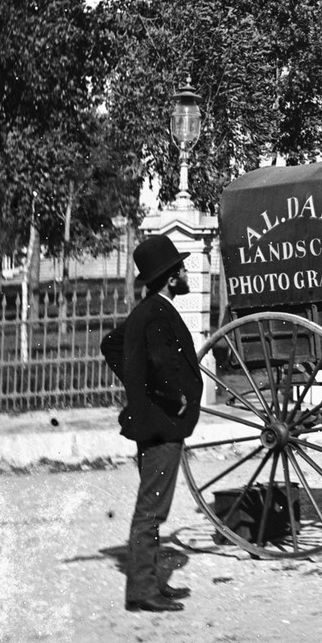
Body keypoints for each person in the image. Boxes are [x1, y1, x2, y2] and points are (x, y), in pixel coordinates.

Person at [116, 235, 203, 612]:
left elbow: (112, 346)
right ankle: (142, 591)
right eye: (180, 269)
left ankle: (149, 584)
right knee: (151, 509)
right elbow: (161, 364)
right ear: (170, 278)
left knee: (153, 506)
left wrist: (136, 385)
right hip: (162, 425)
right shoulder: (156, 314)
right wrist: (173, 398)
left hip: (155, 420)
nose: (185, 273)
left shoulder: (149, 310)